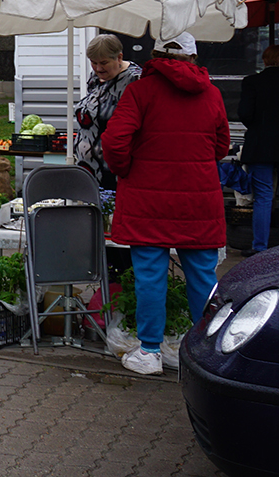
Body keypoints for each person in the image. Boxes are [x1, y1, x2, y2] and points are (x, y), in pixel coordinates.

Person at [102, 32, 227, 375]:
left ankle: (150, 352)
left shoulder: (140, 91)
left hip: (148, 199)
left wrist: (126, 169)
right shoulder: (212, 93)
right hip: (198, 198)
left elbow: (114, 141)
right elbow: (221, 145)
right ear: (193, 58)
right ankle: (207, 355)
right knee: (203, 277)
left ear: (155, 55)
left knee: (150, 277)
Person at [73, 34, 142, 190]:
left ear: (119, 57)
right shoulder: (96, 77)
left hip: (113, 171)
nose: (98, 68)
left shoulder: (134, 80)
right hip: (88, 168)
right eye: (93, 62)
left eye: (104, 63)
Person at [236, 44, 279, 257]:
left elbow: (244, 113)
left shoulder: (252, 82)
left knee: (263, 197)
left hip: (260, 145)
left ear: (265, 60)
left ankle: (260, 247)